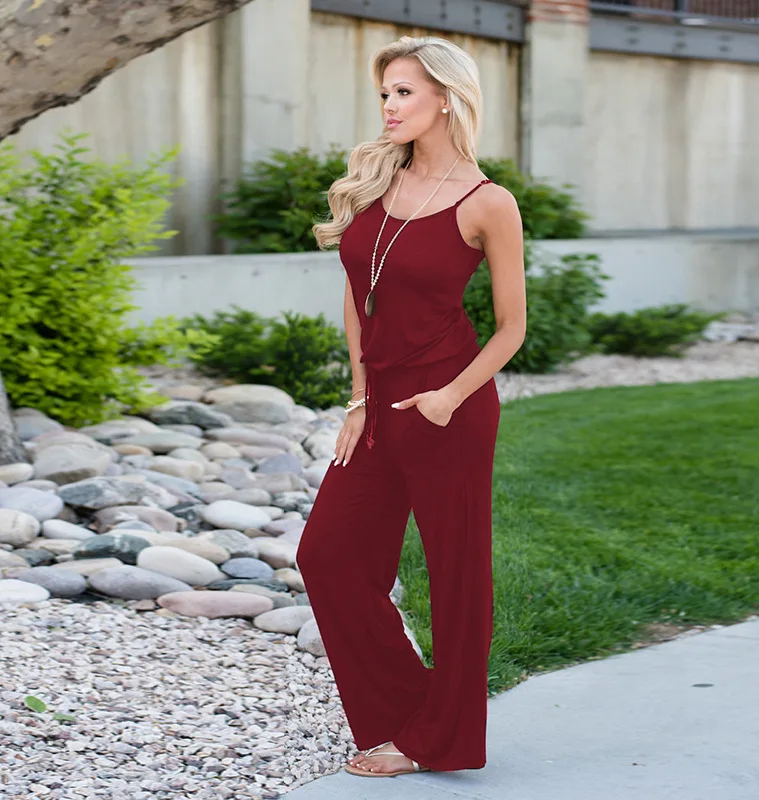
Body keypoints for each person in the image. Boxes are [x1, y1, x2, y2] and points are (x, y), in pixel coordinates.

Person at [295, 34, 526, 778]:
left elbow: (512, 327)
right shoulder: (378, 182)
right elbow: (357, 299)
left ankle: (441, 738)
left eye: (404, 93)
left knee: (457, 574)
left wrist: (450, 397)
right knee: (327, 557)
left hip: (448, 405)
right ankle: (415, 714)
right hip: (382, 402)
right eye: (386, 94)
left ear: (447, 100)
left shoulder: (488, 202)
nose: (389, 107)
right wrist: (360, 398)